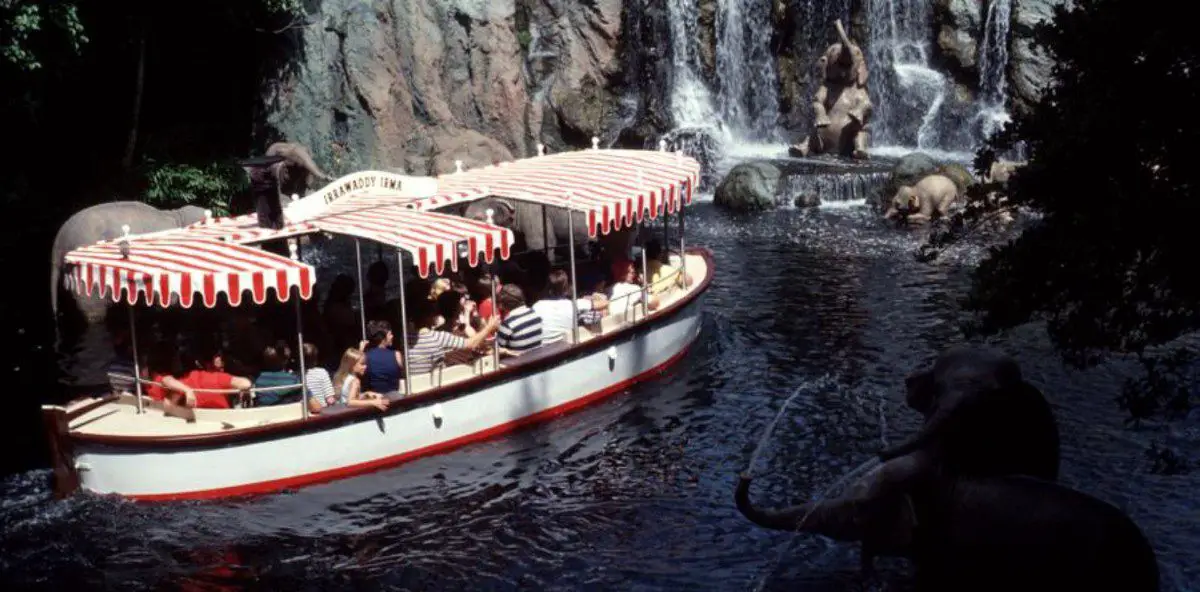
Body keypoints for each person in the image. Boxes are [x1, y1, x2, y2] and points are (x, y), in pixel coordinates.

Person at [407, 296, 501, 374]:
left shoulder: (406, 338)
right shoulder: (438, 337)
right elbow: (471, 344)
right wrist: (489, 327)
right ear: (428, 317)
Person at [532, 269, 607, 343]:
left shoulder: (536, 307)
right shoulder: (574, 305)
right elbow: (605, 303)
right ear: (567, 288)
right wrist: (592, 297)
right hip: (567, 348)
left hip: (545, 351)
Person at [179, 340, 253, 409]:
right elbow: (245, 384)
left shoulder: (186, 379)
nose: (221, 359)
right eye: (218, 356)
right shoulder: (220, 377)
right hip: (222, 416)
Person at [496, 284, 543, 354]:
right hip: (537, 357)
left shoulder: (508, 323)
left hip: (518, 362)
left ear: (504, 303)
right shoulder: (535, 314)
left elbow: (498, 349)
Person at [362, 319, 405, 394]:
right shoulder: (396, 355)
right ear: (383, 338)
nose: (392, 336)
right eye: (390, 334)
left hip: (375, 398)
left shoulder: (366, 356)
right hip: (395, 396)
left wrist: (361, 350)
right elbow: (404, 375)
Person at [301, 342, 336, 413]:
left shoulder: (294, 376)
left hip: (305, 413)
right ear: (315, 358)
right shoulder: (322, 372)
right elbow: (330, 400)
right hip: (321, 413)